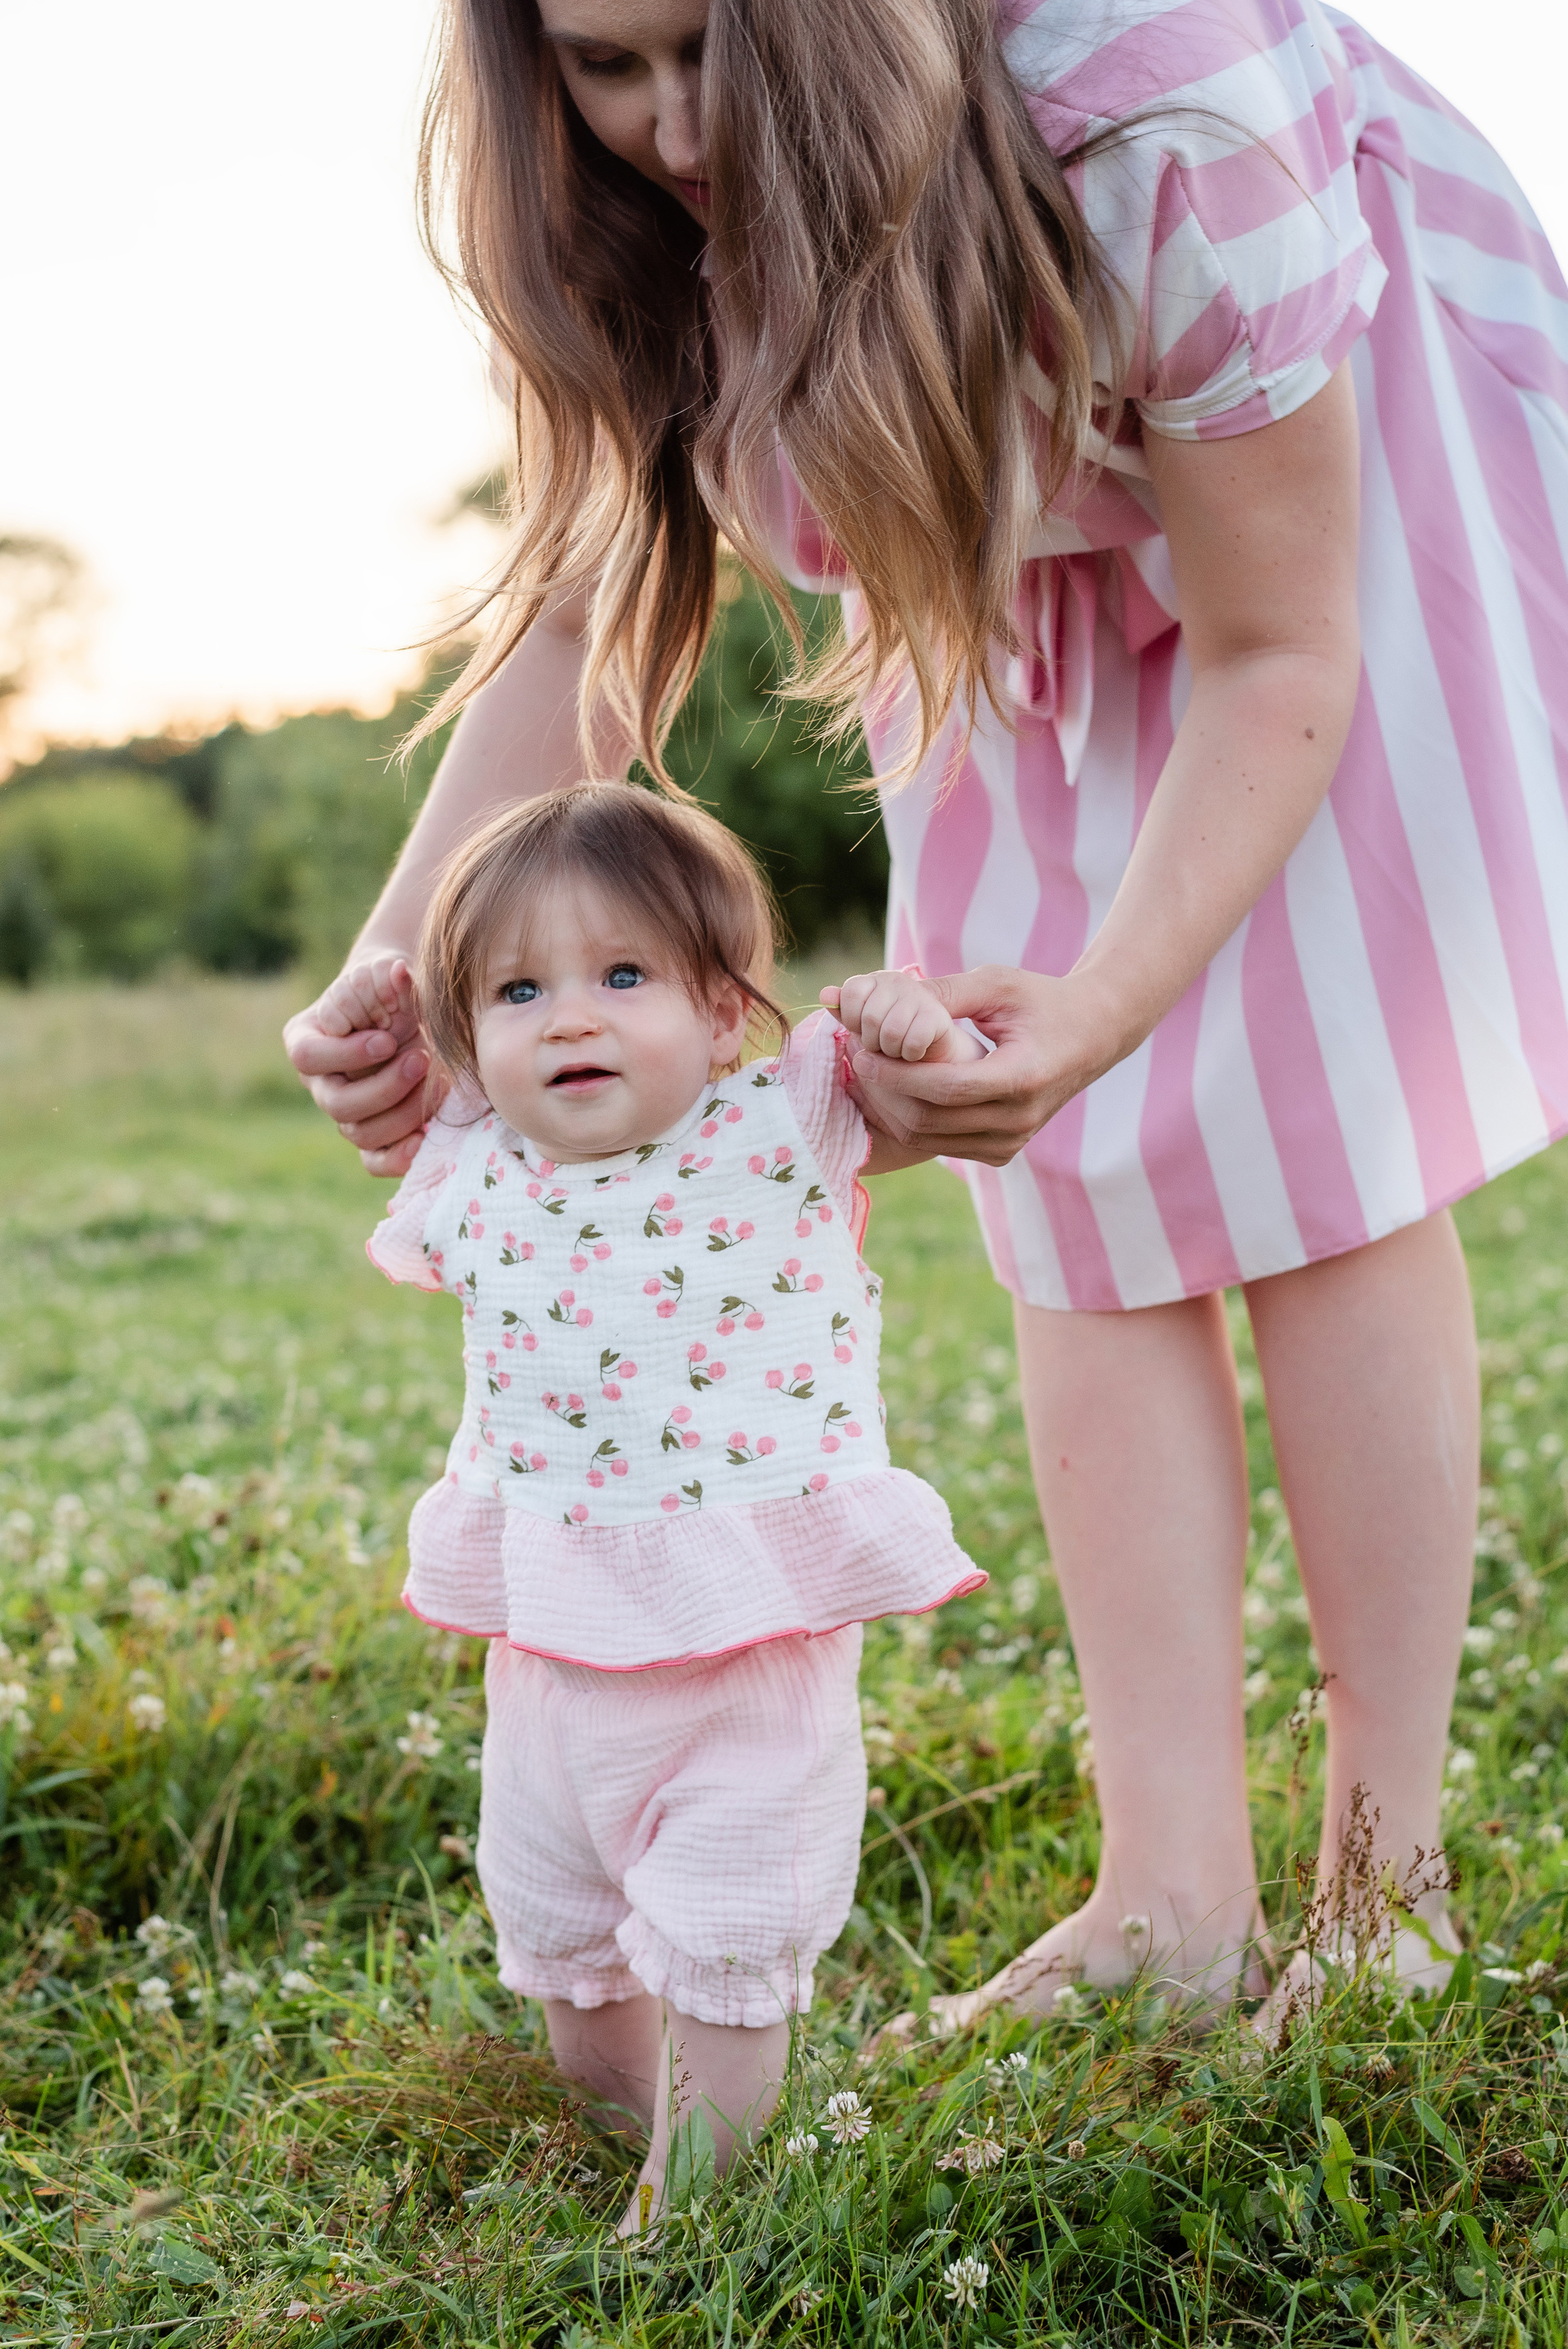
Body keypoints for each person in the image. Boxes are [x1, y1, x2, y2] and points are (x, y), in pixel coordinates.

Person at [287, 0, 1568, 2026]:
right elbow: (589, 606)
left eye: (704, 47)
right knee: (1044, 1161)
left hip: (1300, 504)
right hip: (996, 511)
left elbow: (1272, 648)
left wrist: (1110, 1002)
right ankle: (1173, 1896)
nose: (669, 122)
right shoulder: (640, 212)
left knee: (1314, 1118)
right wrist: (412, 968)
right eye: (604, 68)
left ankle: (1377, 1886)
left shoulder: (1162, 111)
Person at [344, 782, 984, 2220]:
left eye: (622, 975)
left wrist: (910, 1027)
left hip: (745, 1643)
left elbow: (936, 1091)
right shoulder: (469, 1167)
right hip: (553, 1653)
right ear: (469, 1041)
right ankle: (610, 2127)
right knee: (557, 1914)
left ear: (718, 1015)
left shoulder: (782, 1120)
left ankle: (695, 2196)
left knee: (729, 1912)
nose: (570, 1018)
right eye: (519, 990)